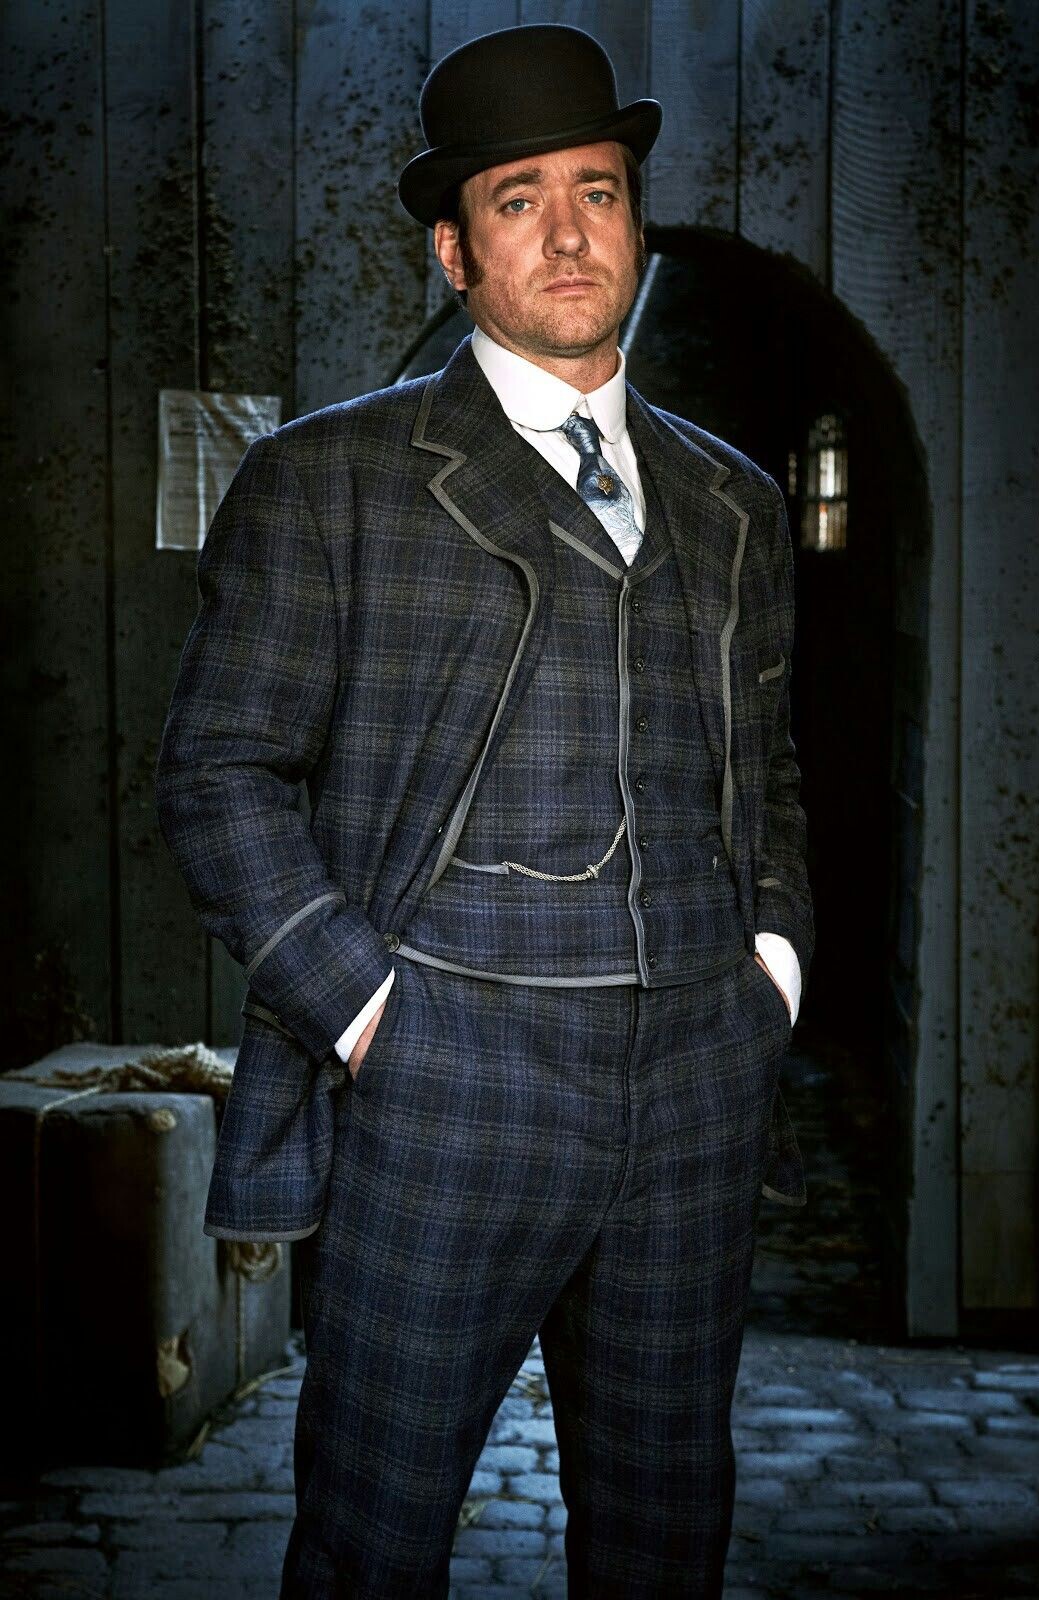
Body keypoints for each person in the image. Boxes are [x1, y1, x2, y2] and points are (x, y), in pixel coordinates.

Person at [156, 21, 814, 1598]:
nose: (570, 232)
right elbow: (217, 773)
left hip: (696, 1076)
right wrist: (367, 1012)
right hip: (449, 1069)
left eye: (599, 190)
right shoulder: (330, 481)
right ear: (454, 252)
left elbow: (770, 768)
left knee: (664, 1535)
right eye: (519, 199)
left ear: (635, 223)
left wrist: (771, 971)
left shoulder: (731, 499)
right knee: (373, 1539)